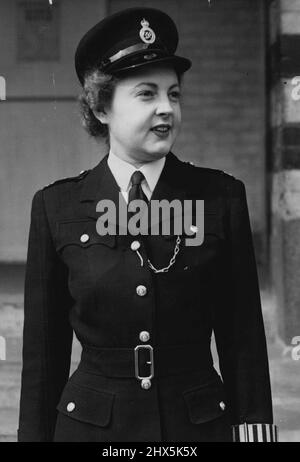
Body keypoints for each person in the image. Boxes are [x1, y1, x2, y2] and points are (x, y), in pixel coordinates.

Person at [18, 7, 278, 442]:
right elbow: (43, 355)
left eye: (174, 94)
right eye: (146, 94)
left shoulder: (219, 199)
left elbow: (244, 343)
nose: (166, 108)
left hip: (196, 428)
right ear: (101, 107)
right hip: (93, 430)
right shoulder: (56, 207)